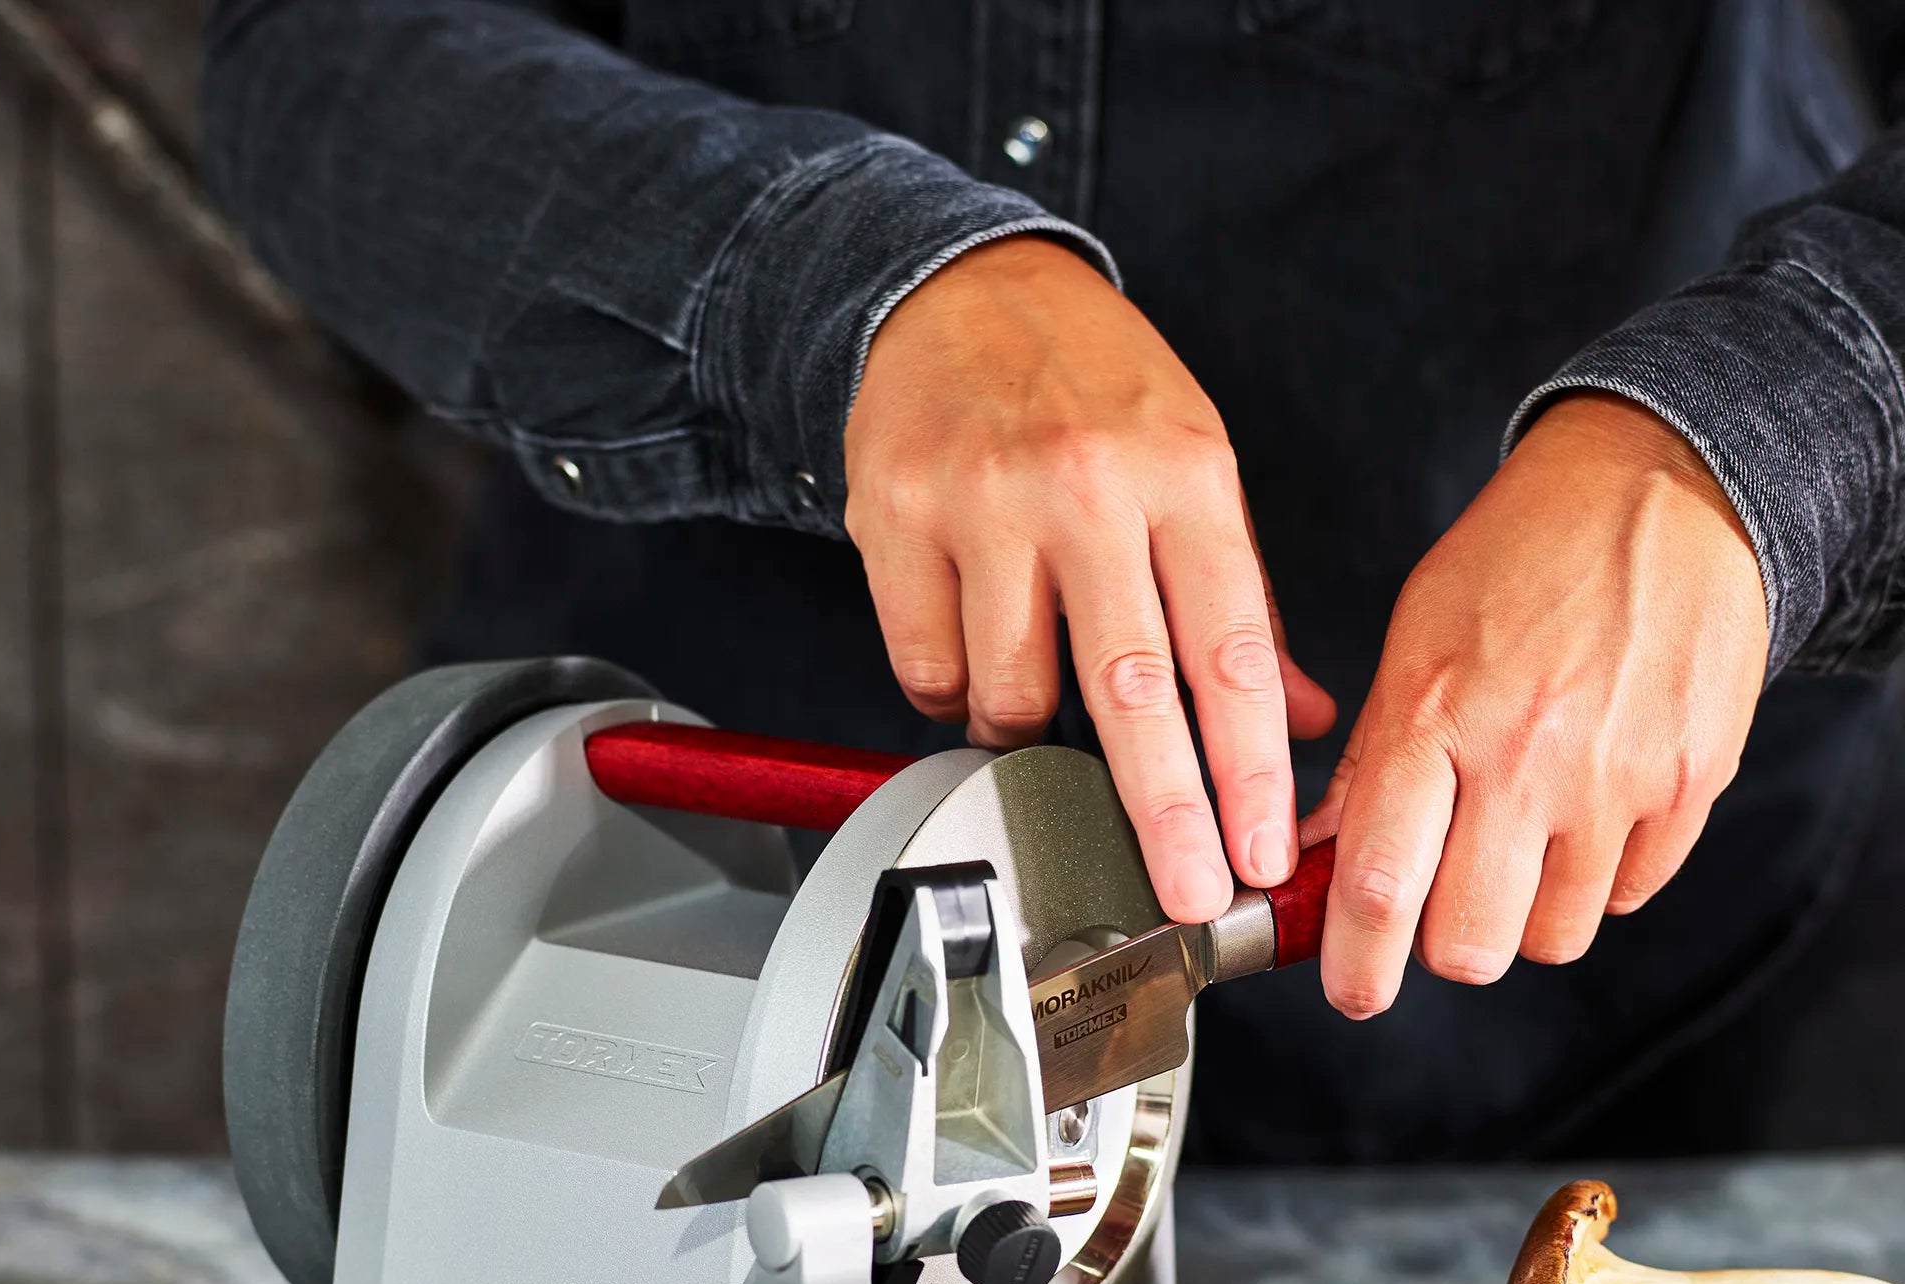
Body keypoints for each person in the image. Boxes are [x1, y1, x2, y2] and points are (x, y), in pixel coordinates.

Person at [201, 0, 1905, 1164]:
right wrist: (827, 283)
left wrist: (1738, 449)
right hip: (702, 972)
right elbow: (317, 61)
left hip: (1625, 1031)